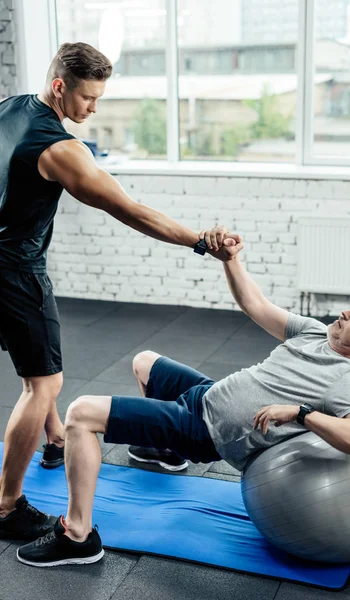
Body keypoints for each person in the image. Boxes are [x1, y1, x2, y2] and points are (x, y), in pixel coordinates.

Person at [16, 229, 350, 567]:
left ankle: (78, 536)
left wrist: (301, 414)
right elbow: (256, 304)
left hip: (204, 430)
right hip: (206, 394)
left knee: (81, 413)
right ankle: (163, 452)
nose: (347, 312)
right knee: (144, 361)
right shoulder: (315, 333)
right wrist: (231, 260)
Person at [0, 42, 242, 541]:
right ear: (60, 86)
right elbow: (132, 212)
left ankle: (53, 441)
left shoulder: (11, 107)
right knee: (42, 385)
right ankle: (5, 506)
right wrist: (200, 240)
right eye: (88, 98)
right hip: (17, 272)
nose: (94, 109)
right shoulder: (61, 150)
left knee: (37, 365)